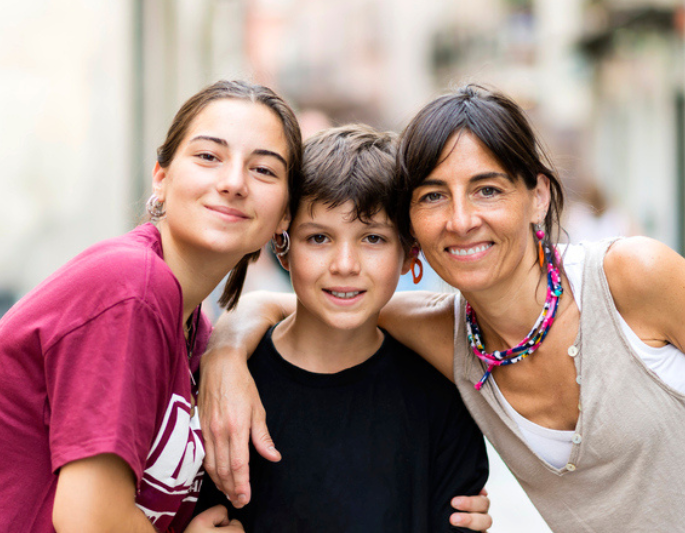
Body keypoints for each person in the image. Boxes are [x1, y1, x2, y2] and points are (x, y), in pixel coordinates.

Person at [199, 84, 685, 532]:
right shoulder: (446, 338)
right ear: (413, 227)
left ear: (538, 196)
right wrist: (225, 351)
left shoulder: (630, 277)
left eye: (486, 190)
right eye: (434, 195)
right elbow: (307, 307)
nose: (461, 220)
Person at [0, 79, 301, 533]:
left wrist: (227, 348)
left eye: (264, 171)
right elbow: (88, 518)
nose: (234, 182)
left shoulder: (193, 326)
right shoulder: (131, 289)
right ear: (161, 175)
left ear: (285, 216)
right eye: (208, 156)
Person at [194, 124, 489, 532]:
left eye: (372, 238)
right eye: (318, 238)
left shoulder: (439, 398)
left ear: (409, 255)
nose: (345, 265)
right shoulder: (229, 389)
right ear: (282, 245)